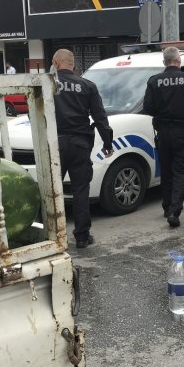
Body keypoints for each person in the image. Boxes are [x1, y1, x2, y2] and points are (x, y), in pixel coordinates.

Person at [52, 48, 113, 249]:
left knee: (52, 191)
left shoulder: (47, 85)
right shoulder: (88, 85)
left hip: (55, 145)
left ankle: (51, 236)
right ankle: (82, 237)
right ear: (73, 64)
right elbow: (100, 118)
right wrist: (107, 143)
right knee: (80, 190)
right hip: (80, 144)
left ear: (55, 62)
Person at [143, 46, 184, 228]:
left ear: (164, 62)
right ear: (179, 61)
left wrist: (161, 113)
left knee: (167, 171)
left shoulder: (154, 81)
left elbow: (148, 107)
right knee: (181, 171)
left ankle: (167, 206)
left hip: (163, 133)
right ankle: (174, 211)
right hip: (182, 132)